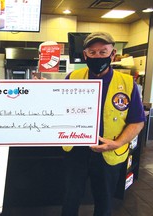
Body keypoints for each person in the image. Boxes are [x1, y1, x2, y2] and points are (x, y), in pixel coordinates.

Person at [61, 32, 146, 216]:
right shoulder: (72, 77)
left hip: (109, 152)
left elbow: (137, 121)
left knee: (104, 203)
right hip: (76, 151)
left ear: (112, 54)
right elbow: (59, 110)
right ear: (85, 55)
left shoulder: (126, 83)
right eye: (92, 52)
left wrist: (118, 143)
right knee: (70, 199)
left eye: (103, 52)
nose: (97, 56)